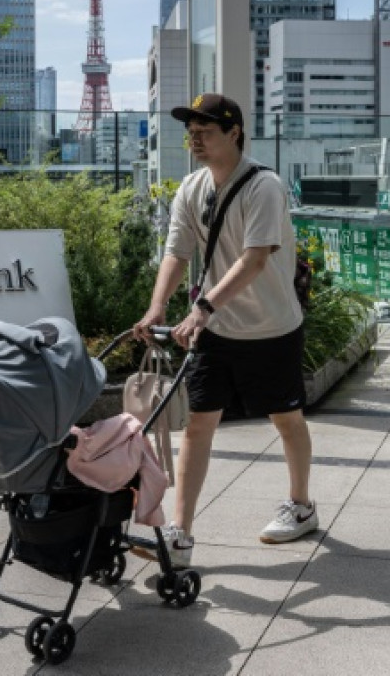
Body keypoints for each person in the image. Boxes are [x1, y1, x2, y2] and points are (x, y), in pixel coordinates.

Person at [133, 92, 315, 568]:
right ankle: (180, 532)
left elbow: (255, 260)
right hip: (216, 328)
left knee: (286, 418)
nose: (194, 138)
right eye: (190, 131)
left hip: (272, 327)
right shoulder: (191, 188)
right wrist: (157, 308)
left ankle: (301, 505)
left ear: (234, 133)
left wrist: (203, 307)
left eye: (205, 131)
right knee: (198, 425)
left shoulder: (264, 187)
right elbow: (177, 253)